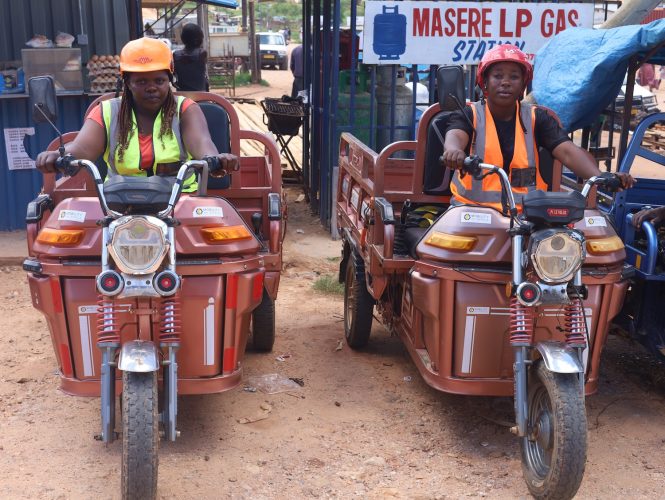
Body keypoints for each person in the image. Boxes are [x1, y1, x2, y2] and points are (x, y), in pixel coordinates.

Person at [442, 44, 633, 211]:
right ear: (484, 82)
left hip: (527, 217)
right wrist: (453, 152)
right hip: (471, 211)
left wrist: (601, 177)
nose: (506, 82)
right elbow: (455, 136)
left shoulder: (537, 118)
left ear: (524, 84)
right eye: (498, 76)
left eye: (514, 77)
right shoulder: (468, 114)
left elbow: (567, 151)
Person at [36, 37, 237, 190]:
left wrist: (216, 160)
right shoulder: (106, 112)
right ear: (127, 84)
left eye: (159, 81)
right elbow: (82, 148)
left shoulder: (185, 109)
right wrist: (57, 156)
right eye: (142, 82)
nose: (152, 88)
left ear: (170, 80)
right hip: (119, 205)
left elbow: (202, 144)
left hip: (181, 202)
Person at [173, 23, 209, 92]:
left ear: (182, 38)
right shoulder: (202, 53)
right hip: (201, 95)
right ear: (199, 39)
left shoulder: (176, 55)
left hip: (182, 95)